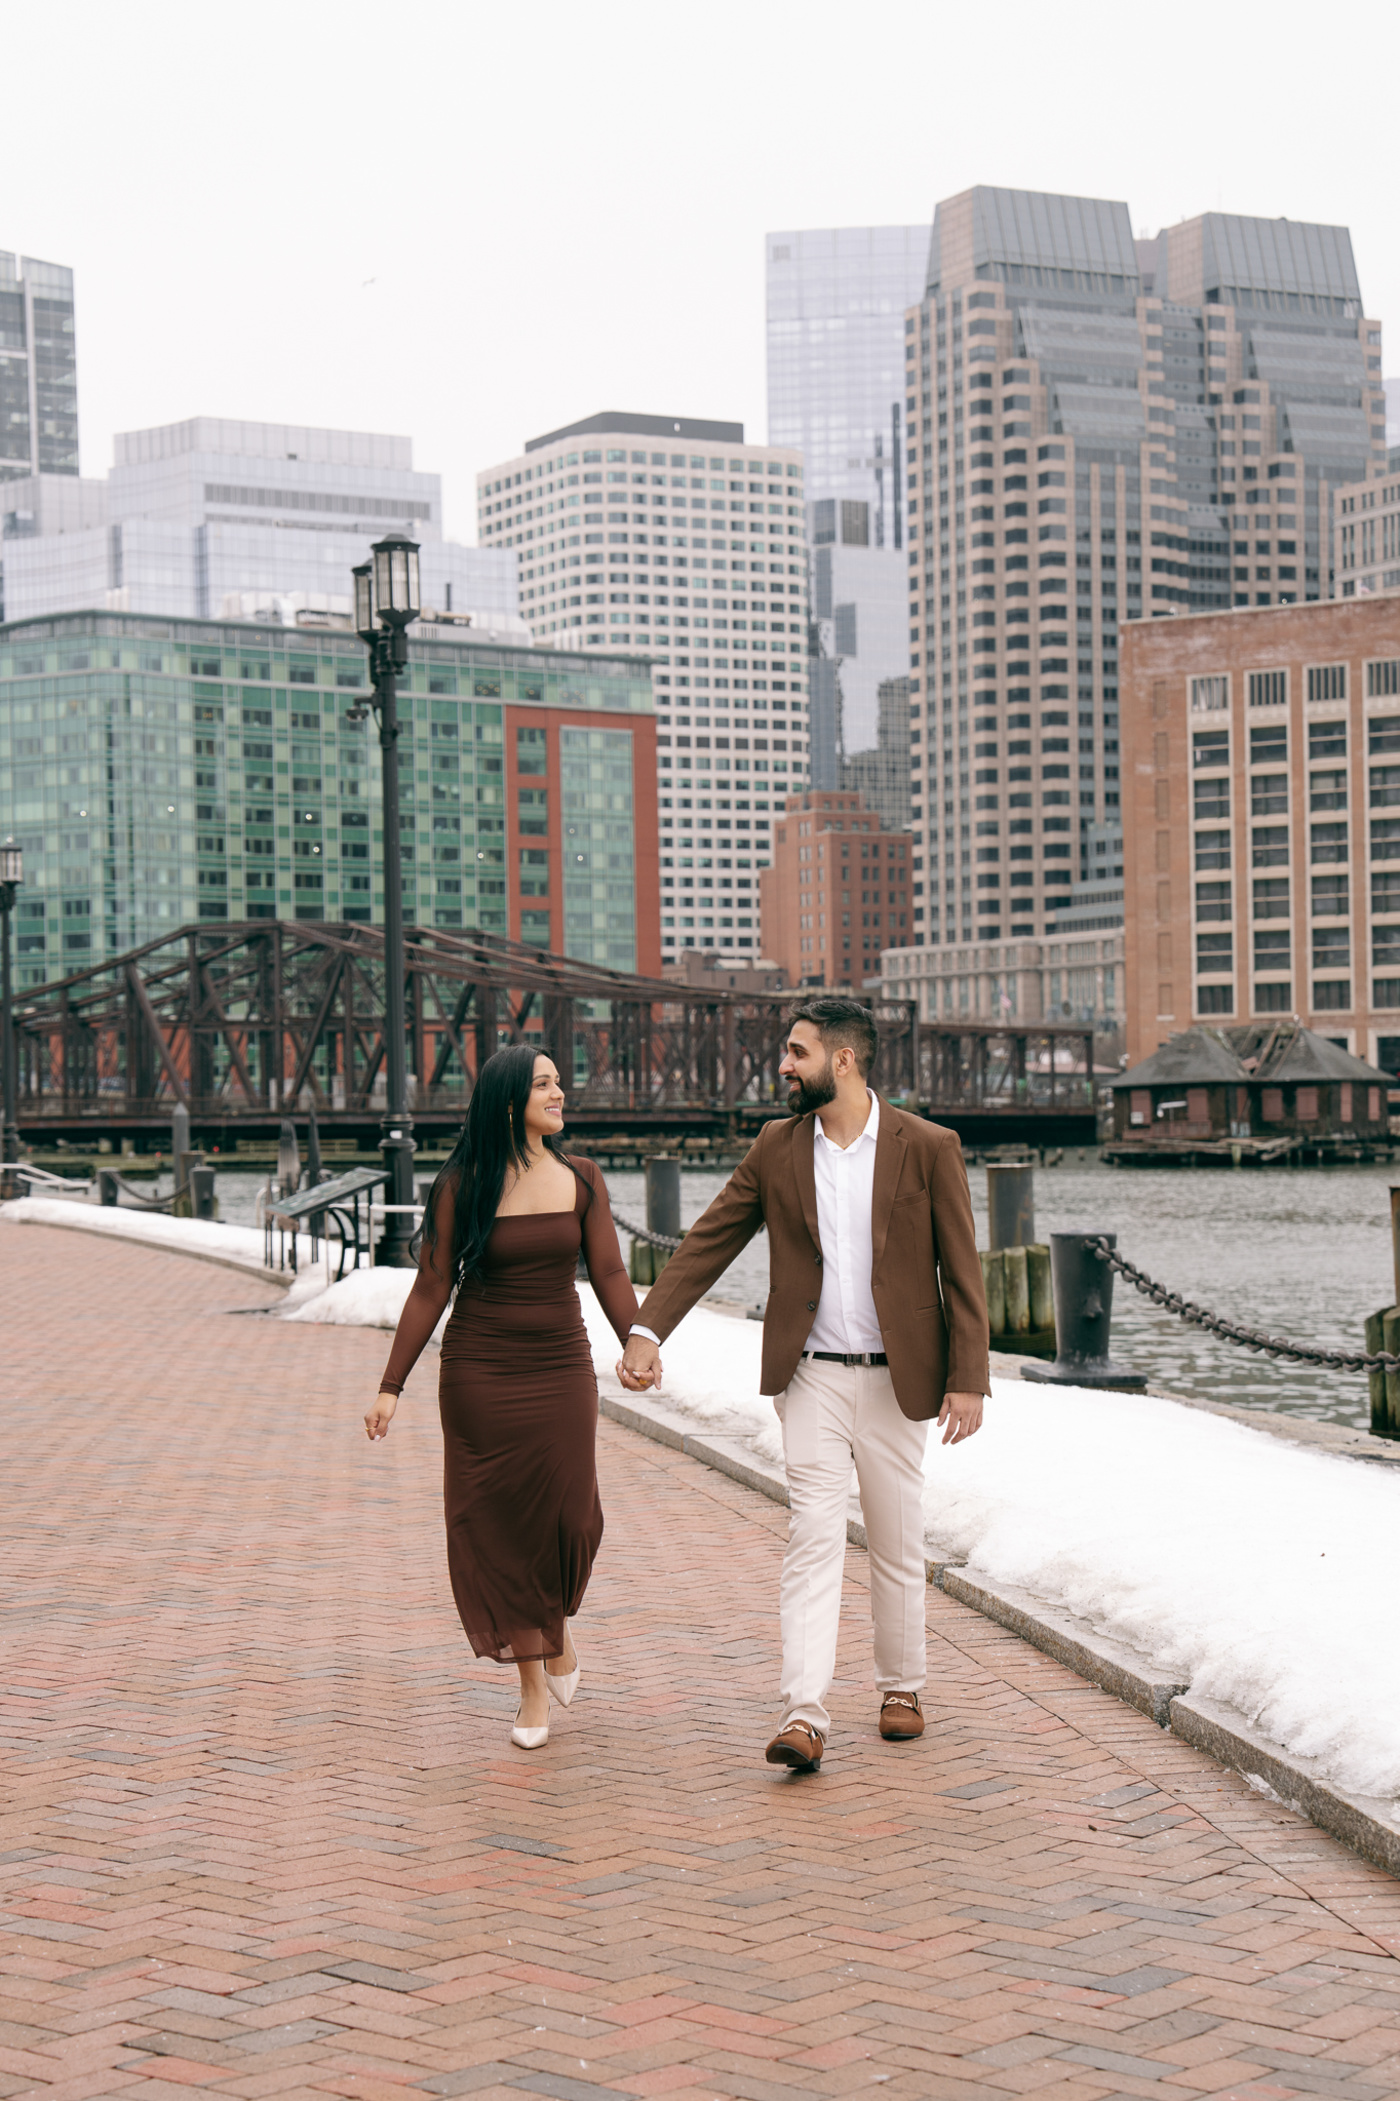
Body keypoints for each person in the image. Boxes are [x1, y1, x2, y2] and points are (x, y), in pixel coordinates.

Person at [619, 996, 988, 1772]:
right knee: (812, 1540)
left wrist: (969, 1378)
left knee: (895, 1540)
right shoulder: (777, 1146)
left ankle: (902, 1688)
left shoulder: (927, 1144)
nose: (783, 1065)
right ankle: (804, 1714)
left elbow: (962, 1267)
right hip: (811, 1376)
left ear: (843, 1060)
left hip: (900, 1381)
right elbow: (711, 1236)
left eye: (797, 1052)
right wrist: (648, 1329)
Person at [366, 1045, 647, 1750]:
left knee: (572, 1514)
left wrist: (638, 1340)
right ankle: (531, 1687)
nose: (559, 1093)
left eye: (559, 1081)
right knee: (499, 1527)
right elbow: (432, 1285)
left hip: (560, 1366)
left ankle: (556, 1638)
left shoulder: (581, 1177)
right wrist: (390, 1385)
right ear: (507, 1099)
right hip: (480, 1371)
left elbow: (609, 1268)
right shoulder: (463, 1182)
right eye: (544, 1084)